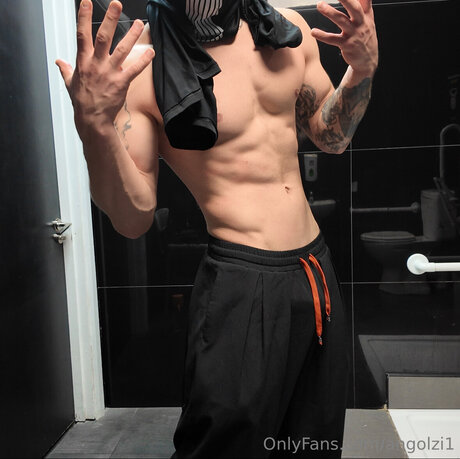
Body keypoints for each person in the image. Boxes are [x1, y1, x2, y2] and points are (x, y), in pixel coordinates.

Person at [56, 0, 378, 457]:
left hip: (315, 270)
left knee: (313, 440)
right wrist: (96, 128)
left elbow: (332, 137)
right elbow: (132, 219)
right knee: (222, 447)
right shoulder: (143, 66)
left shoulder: (286, 29)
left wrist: (361, 69)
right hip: (240, 281)